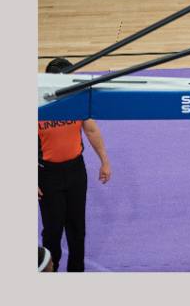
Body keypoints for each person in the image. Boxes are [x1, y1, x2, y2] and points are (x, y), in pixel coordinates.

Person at [38, 57, 111, 272]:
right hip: (48, 176)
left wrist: (104, 161)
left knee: (77, 229)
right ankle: (48, 272)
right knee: (53, 231)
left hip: (76, 171)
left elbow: (90, 130)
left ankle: (76, 275)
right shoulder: (36, 103)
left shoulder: (76, 98)